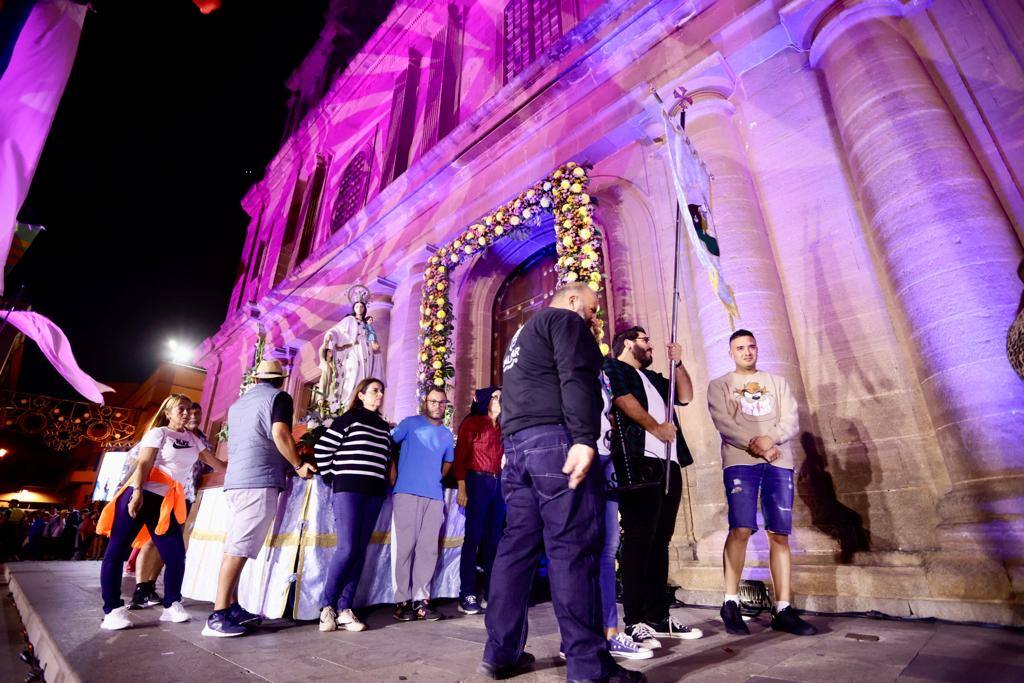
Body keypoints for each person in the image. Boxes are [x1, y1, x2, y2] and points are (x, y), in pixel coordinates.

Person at [480, 283, 644, 683]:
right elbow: (577, 377)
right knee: (573, 548)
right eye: (590, 311)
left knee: (516, 549)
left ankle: (500, 654)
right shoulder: (565, 321)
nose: (591, 320)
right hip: (554, 444)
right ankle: (588, 667)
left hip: (518, 450)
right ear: (573, 301)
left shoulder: (523, 333)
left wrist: (512, 446)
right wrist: (585, 439)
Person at [707, 329, 817, 637]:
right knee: (741, 527)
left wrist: (772, 440)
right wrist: (759, 446)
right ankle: (730, 603)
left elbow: (791, 420)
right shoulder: (720, 385)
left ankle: (782, 608)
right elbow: (725, 423)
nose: (747, 351)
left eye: (751, 346)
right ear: (731, 353)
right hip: (741, 460)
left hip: (778, 462)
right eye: (740, 347)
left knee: (779, 534)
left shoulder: (777, 383)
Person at [603, 326, 703, 645]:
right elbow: (621, 398)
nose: (651, 346)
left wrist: (678, 363)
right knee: (638, 539)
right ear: (629, 343)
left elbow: (685, 396)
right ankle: (635, 620)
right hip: (639, 460)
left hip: (669, 462)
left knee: (661, 539)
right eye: (646, 340)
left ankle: (659, 615)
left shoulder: (658, 378)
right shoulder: (614, 367)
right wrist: (655, 427)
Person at [203, 359, 316, 637]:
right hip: (259, 478)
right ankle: (217, 615)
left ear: (256, 379)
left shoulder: (239, 404)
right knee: (239, 547)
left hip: (237, 479)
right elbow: (280, 433)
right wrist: (299, 463)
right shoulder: (279, 397)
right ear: (280, 380)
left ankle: (232, 607)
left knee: (236, 542)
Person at [96, 394, 224, 630]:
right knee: (117, 550)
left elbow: (218, 465)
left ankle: (172, 604)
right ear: (168, 412)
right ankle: (112, 609)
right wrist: (136, 493)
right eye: (180, 409)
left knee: (175, 555)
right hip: (140, 495)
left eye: (189, 409)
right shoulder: (159, 433)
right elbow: (144, 463)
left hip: (165, 503)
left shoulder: (193, 439)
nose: (186, 413)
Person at [314, 377, 393, 633]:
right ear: (360, 394)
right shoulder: (349, 418)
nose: (379, 395)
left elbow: (384, 459)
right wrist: (331, 477)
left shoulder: (383, 426)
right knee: (347, 548)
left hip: (373, 493)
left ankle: (346, 609)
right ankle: (327, 607)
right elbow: (323, 450)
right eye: (374, 391)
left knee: (359, 551)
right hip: (348, 489)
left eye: (381, 391)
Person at [131, 401, 215, 609]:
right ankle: (141, 589)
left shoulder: (199, 439)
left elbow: (210, 466)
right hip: (158, 494)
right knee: (152, 540)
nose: (192, 416)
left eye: (197, 413)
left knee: (171, 543)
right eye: (187, 411)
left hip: (184, 496)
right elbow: (138, 459)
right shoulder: (162, 433)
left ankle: (151, 584)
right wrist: (137, 490)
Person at [389, 387, 455, 622]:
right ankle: (402, 601)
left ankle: (421, 601)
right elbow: (389, 444)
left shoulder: (447, 435)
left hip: (434, 496)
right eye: (433, 401)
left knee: (428, 549)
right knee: (405, 547)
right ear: (425, 403)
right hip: (406, 491)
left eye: (442, 402)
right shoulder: (410, 423)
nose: (438, 405)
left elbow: (448, 462)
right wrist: (393, 468)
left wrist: (435, 478)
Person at [453, 386, 505, 615]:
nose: (499, 401)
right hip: (477, 481)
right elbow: (461, 457)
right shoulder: (472, 423)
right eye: (496, 397)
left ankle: (492, 591)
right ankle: (468, 593)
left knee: (494, 540)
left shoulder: (504, 426)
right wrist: (462, 487)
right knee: (473, 538)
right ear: (486, 400)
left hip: (498, 484)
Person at [317, 301, 384, 414]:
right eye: (357, 306)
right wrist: (330, 334)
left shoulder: (367, 324)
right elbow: (337, 330)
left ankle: (361, 403)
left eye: (361, 306)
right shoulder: (349, 320)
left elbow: (372, 337)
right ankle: (347, 403)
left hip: (367, 352)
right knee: (353, 372)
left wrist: (374, 343)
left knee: (365, 377)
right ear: (354, 308)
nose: (359, 308)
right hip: (354, 349)